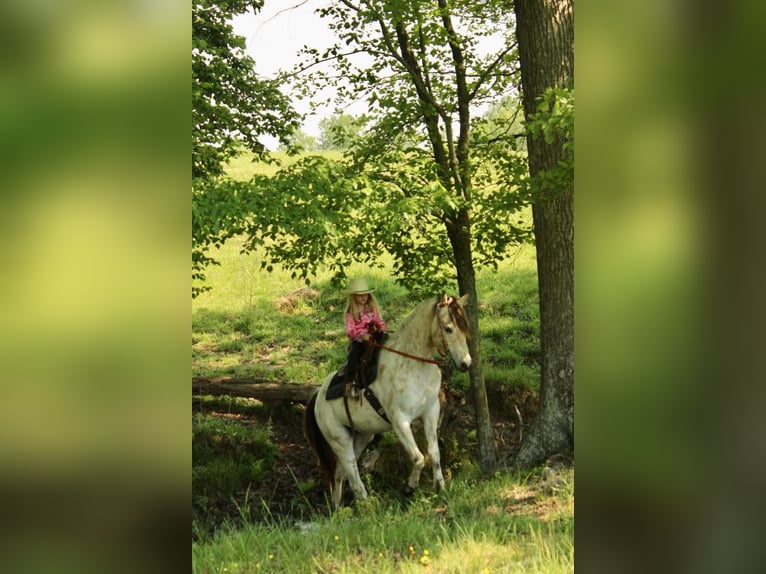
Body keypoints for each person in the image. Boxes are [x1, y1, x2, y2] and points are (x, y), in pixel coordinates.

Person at [343, 277, 388, 387]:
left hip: (374, 336)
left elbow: (378, 320)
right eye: (359, 295)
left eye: (365, 294)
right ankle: (349, 381)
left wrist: (382, 326)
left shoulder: (372, 308)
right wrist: (362, 336)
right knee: (354, 353)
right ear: (354, 296)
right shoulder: (350, 312)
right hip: (360, 340)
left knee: (387, 343)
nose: (363, 297)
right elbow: (350, 330)